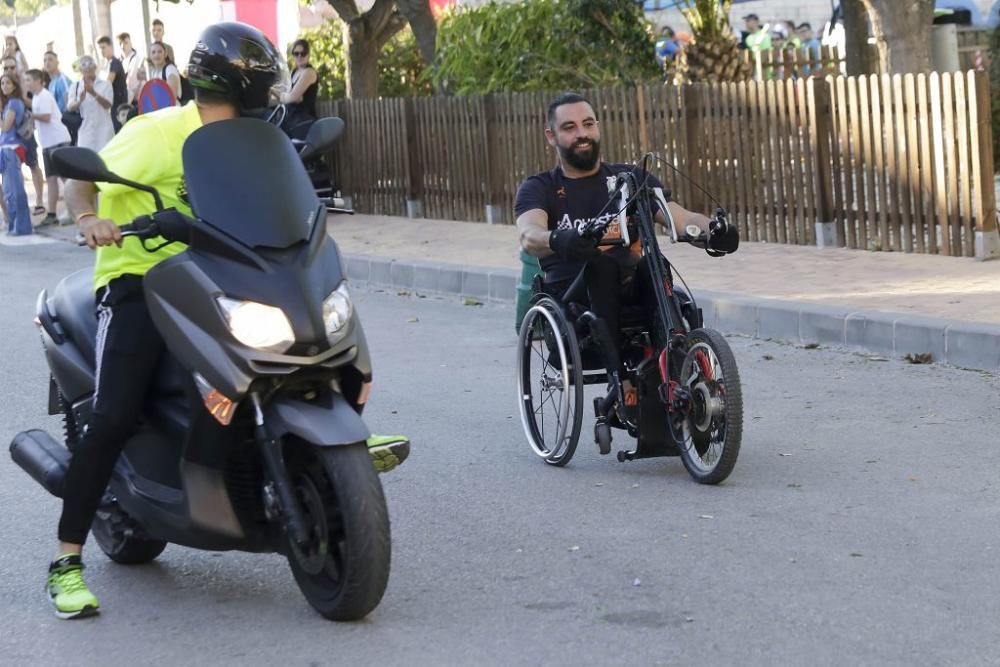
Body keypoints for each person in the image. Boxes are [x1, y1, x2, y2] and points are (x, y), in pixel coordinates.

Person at [46, 21, 410, 621]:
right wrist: (90, 219)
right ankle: (66, 561)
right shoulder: (156, 133)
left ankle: (334, 441)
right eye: (264, 87)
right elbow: (81, 179)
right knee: (112, 414)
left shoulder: (256, 138)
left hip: (221, 273)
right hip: (140, 276)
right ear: (240, 86)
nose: (271, 99)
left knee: (313, 338)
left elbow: (278, 194)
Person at [515, 92, 738, 370]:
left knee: (652, 264)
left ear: (597, 126)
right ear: (551, 136)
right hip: (574, 298)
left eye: (588, 124)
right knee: (601, 266)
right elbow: (528, 234)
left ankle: (674, 364)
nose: (582, 134)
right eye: (569, 127)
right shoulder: (540, 187)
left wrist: (714, 232)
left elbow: (679, 218)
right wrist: (559, 238)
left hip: (633, 286)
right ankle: (618, 380)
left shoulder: (630, 179)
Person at [26, 69, 71, 226]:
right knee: (51, 179)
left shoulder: (44, 95)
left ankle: (77, 209)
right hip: (48, 143)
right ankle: (52, 214)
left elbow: (45, 117)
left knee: (66, 178)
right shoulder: (36, 98)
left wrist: (31, 115)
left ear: (39, 81)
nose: (27, 83)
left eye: (29, 80)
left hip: (58, 141)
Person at [0, 73, 33, 235]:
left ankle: (21, 226)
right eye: (2, 83)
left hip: (12, 148)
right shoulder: (9, 104)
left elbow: (6, 127)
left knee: (14, 189)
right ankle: (15, 224)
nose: (4, 86)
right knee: (9, 190)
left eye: (8, 83)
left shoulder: (13, 103)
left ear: (14, 85)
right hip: (7, 148)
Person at [65, 56, 115, 152]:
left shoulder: (105, 84)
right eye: (84, 65)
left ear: (95, 67)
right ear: (80, 69)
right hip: (85, 133)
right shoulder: (75, 86)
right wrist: (79, 101)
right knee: (87, 163)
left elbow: (108, 105)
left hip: (104, 132)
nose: (87, 67)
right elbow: (70, 107)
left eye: (90, 64)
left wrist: (93, 93)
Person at [278, 38, 318, 138]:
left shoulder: (309, 72)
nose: (299, 56)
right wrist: (286, 96)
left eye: (303, 53)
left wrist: (279, 94)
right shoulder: (293, 73)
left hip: (303, 123)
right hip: (290, 121)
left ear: (308, 55)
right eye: (296, 53)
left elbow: (293, 97)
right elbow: (294, 97)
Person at [97, 36, 127, 132]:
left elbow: (109, 82)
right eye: (100, 48)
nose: (102, 51)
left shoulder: (115, 62)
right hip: (112, 105)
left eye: (103, 47)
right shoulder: (106, 64)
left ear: (110, 47)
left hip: (119, 106)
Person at [117, 32, 143, 105]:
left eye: (125, 43)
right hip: (123, 100)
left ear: (131, 43)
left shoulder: (137, 59)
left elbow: (131, 83)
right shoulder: (118, 61)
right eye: (120, 43)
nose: (122, 46)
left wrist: (126, 104)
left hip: (135, 101)